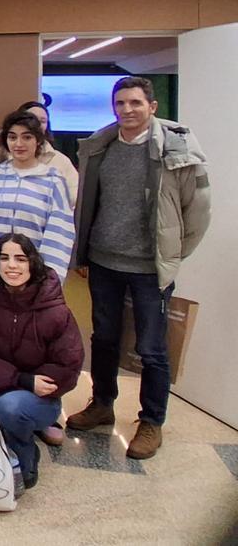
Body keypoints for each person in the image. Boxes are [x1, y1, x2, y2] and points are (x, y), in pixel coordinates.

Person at [66, 76, 211, 460]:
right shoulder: (102, 145)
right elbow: (89, 203)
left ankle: (151, 421)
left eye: (135, 103)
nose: (127, 110)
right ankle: (102, 404)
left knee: (151, 349)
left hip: (149, 269)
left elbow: (197, 211)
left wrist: (172, 255)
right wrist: (83, 252)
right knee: (104, 338)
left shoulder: (175, 150)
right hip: (104, 261)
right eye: (120, 103)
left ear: (152, 106)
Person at [0, 234, 84, 489]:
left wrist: (31, 385)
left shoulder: (56, 312)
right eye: (4, 258)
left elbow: (69, 364)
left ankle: (24, 457)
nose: (12, 265)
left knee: (11, 408)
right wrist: (20, 378)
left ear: (32, 264)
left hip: (37, 398)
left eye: (20, 259)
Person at [0, 110, 76, 282]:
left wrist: (49, 277)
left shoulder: (53, 181)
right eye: (12, 137)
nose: (19, 143)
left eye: (26, 137)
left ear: (38, 140)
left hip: (34, 275)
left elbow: (60, 233)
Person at [19, 99, 80, 208]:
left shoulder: (60, 160)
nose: (37, 125)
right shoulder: (2, 156)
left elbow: (75, 198)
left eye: (42, 121)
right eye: (32, 119)